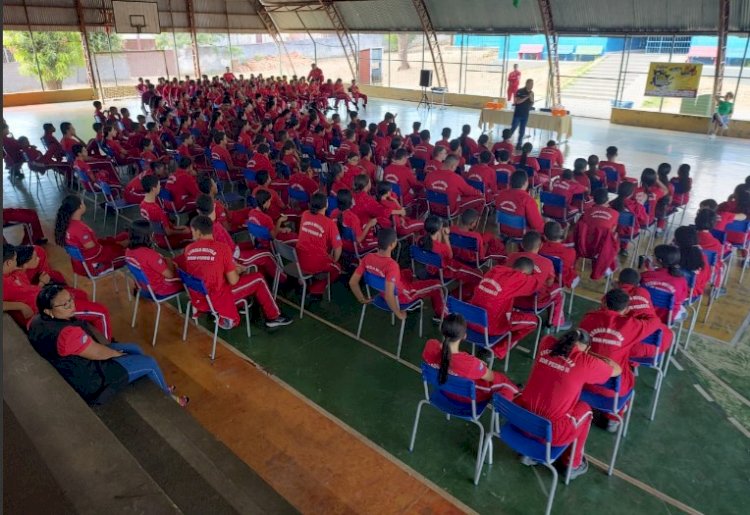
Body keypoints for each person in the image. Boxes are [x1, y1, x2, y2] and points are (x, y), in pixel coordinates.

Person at [28, 284, 188, 406]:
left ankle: (156, 384)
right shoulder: (67, 334)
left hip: (79, 360)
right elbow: (97, 353)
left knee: (134, 348)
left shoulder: (36, 321)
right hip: (91, 380)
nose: (71, 306)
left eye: (71, 300)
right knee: (150, 363)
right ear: (48, 311)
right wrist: (118, 355)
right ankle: (167, 397)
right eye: (64, 305)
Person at [516, 329, 621, 479]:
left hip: (522, 419)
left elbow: (553, 343)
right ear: (586, 349)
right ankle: (572, 464)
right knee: (585, 410)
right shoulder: (584, 362)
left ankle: (528, 452)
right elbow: (617, 369)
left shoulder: (546, 342)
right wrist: (589, 354)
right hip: (551, 431)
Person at [178, 216, 292, 329]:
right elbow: (234, 281)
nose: (192, 235)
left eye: (192, 232)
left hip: (199, 297)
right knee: (258, 279)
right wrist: (238, 270)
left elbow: (204, 268)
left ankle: (242, 304)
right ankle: (274, 316)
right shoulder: (222, 248)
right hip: (216, 297)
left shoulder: (188, 249)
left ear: (198, 232)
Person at [580, 289, 661, 431]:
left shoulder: (588, 318)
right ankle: (612, 420)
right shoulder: (632, 325)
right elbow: (655, 322)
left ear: (603, 302)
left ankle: (581, 409)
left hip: (584, 382)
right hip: (612, 391)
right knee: (628, 376)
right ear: (626, 309)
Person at [349, 228, 445, 322]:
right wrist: (399, 314)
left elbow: (352, 282)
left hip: (383, 291)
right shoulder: (392, 265)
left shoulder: (368, 257)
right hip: (402, 296)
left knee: (407, 272)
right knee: (438, 285)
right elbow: (389, 295)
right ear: (392, 245)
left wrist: (362, 299)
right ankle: (441, 316)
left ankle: (415, 303)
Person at [422, 314, 518, 403]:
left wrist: (474, 362)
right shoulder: (470, 364)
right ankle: (517, 394)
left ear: (442, 330)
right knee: (504, 382)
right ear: (464, 336)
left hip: (445, 389)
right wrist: (476, 364)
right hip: (466, 398)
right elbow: (491, 377)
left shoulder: (430, 345)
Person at [469, 257, 544, 359]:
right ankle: (497, 351)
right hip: (492, 328)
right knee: (533, 321)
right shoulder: (519, 278)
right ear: (524, 273)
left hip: (471, 321)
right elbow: (537, 283)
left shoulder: (494, 270)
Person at [507, 231, 570, 330]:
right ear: (540, 245)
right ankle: (557, 323)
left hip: (512, 298)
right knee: (558, 292)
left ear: (521, 244)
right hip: (533, 303)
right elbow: (549, 283)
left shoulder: (511, 256)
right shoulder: (547, 262)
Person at [54, 195, 127, 275]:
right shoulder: (80, 229)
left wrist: (111, 242)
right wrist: (117, 246)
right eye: (82, 202)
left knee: (121, 237)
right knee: (128, 254)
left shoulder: (66, 224)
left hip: (81, 263)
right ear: (80, 207)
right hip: (94, 265)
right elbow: (94, 251)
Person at [613, 268, 673, 359]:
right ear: (638, 284)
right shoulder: (643, 292)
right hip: (658, 343)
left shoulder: (612, 296)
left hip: (629, 346)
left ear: (619, 282)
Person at [296, 193, 343, 300]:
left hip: (299, 260)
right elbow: (338, 248)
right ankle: (316, 290)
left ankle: (303, 281)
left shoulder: (305, 214)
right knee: (337, 268)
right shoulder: (330, 223)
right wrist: (334, 260)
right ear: (326, 205)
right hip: (316, 263)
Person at [568, 188, 618, 280]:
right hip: (602, 250)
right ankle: (605, 269)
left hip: (583, 247)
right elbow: (612, 232)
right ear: (607, 200)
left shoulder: (586, 212)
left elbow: (577, 229)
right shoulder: (615, 214)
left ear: (593, 200)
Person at [124, 220, 183, 297]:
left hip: (144, 286)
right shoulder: (150, 255)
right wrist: (169, 261)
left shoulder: (128, 251)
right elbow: (170, 275)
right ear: (149, 235)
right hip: (161, 289)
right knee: (189, 278)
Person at [139, 175, 192, 250]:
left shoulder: (142, 204)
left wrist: (179, 228)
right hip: (167, 242)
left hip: (155, 239)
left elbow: (160, 227)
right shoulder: (157, 210)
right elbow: (168, 232)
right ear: (154, 189)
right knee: (197, 234)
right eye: (159, 185)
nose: (160, 187)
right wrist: (182, 232)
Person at [640, 244, 689, 323]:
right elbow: (681, 299)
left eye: (653, 256)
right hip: (667, 318)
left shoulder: (646, 275)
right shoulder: (682, 280)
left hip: (644, 314)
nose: (652, 258)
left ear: (660, 261)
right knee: (684, 312)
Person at [495, 170, 544, 237]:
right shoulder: (527, 199)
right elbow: (536, 225)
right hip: (521, 233)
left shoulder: (501, 194)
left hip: (503, 229)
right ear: (526, 183)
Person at [540, 221, 579, 290]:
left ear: (544, 237)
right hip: (560, 281)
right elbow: (570, 268)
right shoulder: (570, 252)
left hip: (544, 277)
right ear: (561, 234)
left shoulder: (540, 248)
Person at [509, 79, 534, 149]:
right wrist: (526, 97)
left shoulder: (532, 93)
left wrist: (531, 98)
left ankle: (519, 145)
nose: (531, 86)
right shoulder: (520, 91)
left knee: (522, 131)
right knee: (513, 128)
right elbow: (517, 102)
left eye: (532, 84)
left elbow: (532, 102)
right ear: (526, 84)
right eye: (530, 84)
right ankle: (506, 140)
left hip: (525, 115)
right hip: (518, 114)